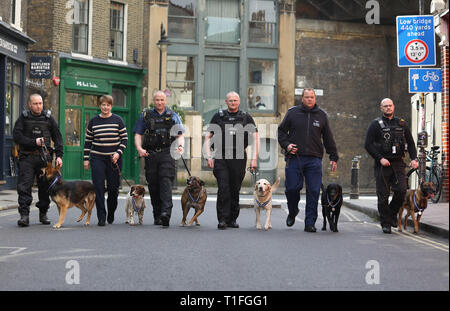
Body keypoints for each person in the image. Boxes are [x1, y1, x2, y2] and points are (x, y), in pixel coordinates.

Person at [278, 88, 338, 233]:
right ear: (302, 98)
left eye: (312, 97)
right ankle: (293, 211)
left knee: (314, 191)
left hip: (314, 159)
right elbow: (281, 132)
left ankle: (310, 223)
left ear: (314, 98)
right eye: (307, 97)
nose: (309, 99)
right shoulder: (293, 113)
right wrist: (287, 145)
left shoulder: (322, 115)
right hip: (295, 157)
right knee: (292, 188)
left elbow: (328, 137)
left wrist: (333, 156)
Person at [204, 91, 259, 229]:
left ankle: (232, 219)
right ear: (226, 102)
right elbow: (207, 137)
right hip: (221, 155)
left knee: (235, 188)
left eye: (235, 100)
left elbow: (256, 138)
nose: (233, 103)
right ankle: (222, 219)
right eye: (230, 100)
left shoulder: (246, 117)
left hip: (239, 156)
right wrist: (208, 156)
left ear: (239, 101)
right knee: (223, 188)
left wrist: (254, 159)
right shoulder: (218, 116)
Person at [364, 98, 418, 234]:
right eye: (385, 106)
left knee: (401, 190)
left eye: (390, 105)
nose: (388, 108)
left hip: (398, 163)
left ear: (393, 107)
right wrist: (380, 158)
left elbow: (411, 143)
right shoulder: (375, 124)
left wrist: (413, 159)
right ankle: (385, 224)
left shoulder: (402, 123)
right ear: (381, 108)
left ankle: (391, 214)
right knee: (383, 195)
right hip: (382, 164)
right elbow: (368, 145)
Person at [134, 91, 185, 227]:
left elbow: (180, 135)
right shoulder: (145, 115)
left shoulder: (173, 116)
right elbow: (138, 134)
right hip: (150, 154)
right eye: (157, 100)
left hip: (168, 153)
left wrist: (180, 146)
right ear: (153, 101)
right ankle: (157, 214)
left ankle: (165, 214)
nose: (160, 102)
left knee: (166, 182)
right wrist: (139, 148)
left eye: (162, 100)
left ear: (165, 101)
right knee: (153, 184)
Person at [13, 93, 63, 227]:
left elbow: (57, 138)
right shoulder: (23, 118)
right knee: (24, 186)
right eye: (35, 103)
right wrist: (33, 142)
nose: (38, 106)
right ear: (30, 104)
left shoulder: (48, 119)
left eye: (40, 103)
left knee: (45, 187)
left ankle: (43, 213)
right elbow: (17, 136)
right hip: (27, 157)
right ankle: (24, 215)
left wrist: (59, 156)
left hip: (44, 158)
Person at [83, 95, 128, 226]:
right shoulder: (93, 121)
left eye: (108, 105)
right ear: (99, 106)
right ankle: (101, 216)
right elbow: (88, 142)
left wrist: (118, 153)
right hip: (97, 158)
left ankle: (111, 212)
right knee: (98, 187)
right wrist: (86, 159)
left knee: (113, 189)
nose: (105, 107)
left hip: (114, 159)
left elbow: (124, 139)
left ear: (111, 106)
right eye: (103, 105)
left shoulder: (118, 120)